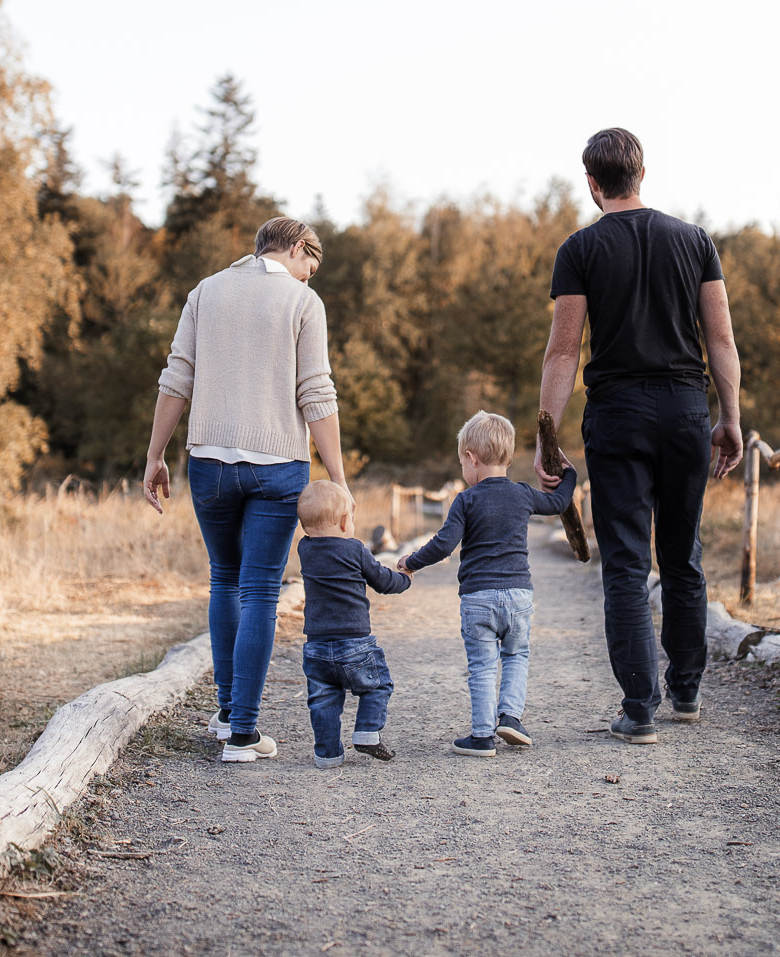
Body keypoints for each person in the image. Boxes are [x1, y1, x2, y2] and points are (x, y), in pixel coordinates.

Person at [536, 128, 743, 745]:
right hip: (685, 410)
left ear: (593, 183)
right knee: (683, 554)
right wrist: (728, 417)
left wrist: (548, 438)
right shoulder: (695, 241)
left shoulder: (580, 249)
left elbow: (563, 351)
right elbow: (722, 340)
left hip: (619, 415)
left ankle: (639, 707)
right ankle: (686, 691)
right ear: (642, 174)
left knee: (625, 562)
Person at [143, 216, 349, 764]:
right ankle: (243, 735)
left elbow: (176, 377)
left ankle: (228, 714)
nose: (309, 277)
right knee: (258, 591)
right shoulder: (304, 305)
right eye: (311, 264)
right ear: (299, 248)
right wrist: (339, 478)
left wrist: (154, 454)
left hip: (209, 464)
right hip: (278, 466)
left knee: (223, 582)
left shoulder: (205, 292)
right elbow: (316, 393)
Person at [398, 411, 578, 757]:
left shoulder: (466, 500)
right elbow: (558, 501)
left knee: (482, 664)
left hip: (478, 598)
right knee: (516, 655)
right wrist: (569, 474)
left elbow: (443, 545)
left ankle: (481, 736)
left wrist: (411, 561)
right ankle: (510, 716)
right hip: (519, 596)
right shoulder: (522, 494)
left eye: (462, 464)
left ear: (471, 458)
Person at [295, 479, 410, 769]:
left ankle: (327, 754)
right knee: (377, 686)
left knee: (323, 700)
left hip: (317, 645)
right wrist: (405, 579)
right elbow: (383, 581)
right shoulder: (355, 549)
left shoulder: (305, 549)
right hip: (356, 643)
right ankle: (368, 731)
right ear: (345, 521)